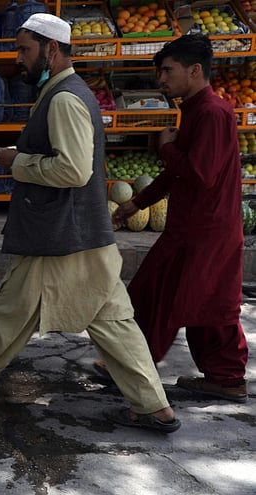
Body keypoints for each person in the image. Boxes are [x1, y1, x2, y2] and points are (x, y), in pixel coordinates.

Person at [0, 14, 181, 433]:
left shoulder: (63, 98)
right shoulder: (68, 93)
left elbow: (73, 170)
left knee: (11, 314)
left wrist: (13, 161)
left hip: (58, 237)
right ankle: (153, 406)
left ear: (51, 50)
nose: (17, 58)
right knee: (114, 322)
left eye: (24, 49)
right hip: (85, 235)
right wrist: (13, 152)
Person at [105, 34, 249, 404]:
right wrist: (138, 202)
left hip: (208, 230)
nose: (161, 80)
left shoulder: (213, 113)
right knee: (156, 293)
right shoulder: (195, 110)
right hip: (191, 227)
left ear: (195, 70)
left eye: (168, 71)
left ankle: (226, 378)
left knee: (209, 306)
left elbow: (199, 174)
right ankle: (133, 361)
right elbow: (179, 174)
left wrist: (166, 146)